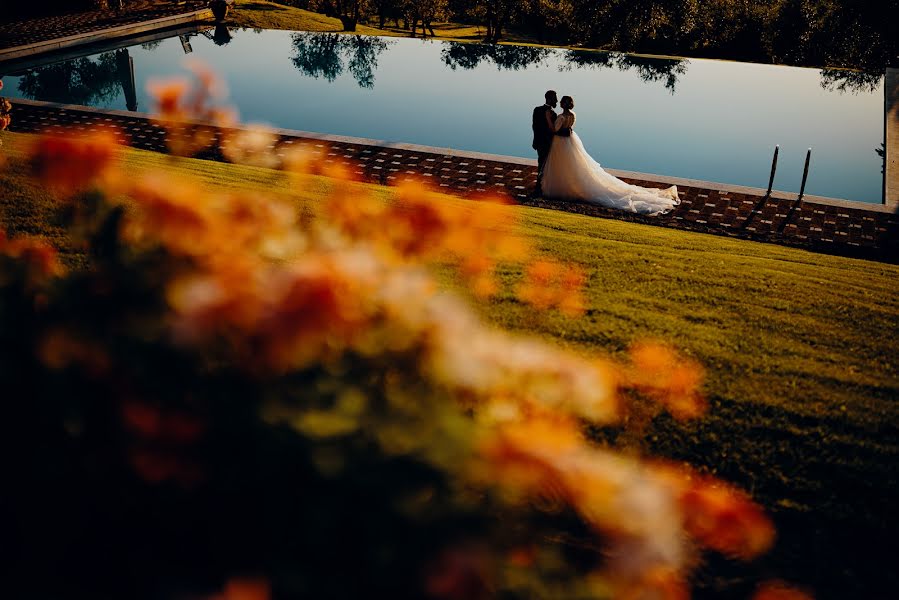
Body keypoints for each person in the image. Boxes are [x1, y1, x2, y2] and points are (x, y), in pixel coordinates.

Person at [541, 95, 680, 215]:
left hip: (560, 143)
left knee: (563, 165)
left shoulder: (560, 117)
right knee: (574, 165)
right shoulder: (573, 115)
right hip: (570, 141)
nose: (558, 102)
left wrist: (548, 118)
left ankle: (565, 188)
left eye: (561, 101)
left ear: (563, 104)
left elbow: (554, 129)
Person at [531, 90, 558, 196]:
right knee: (542, 164)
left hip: (547, 143)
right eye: (554, 98)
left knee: (544, 165)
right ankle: (539, 187)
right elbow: (535, 127)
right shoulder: (539, 110)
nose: (556, 100)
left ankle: (541, 187)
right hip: (544, 143)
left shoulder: (552, 113)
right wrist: (536, 140)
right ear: (548, 99)